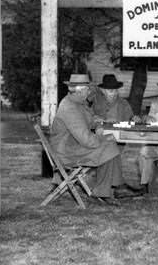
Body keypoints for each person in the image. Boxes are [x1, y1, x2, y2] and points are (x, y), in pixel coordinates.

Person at [49, 73, 125, 204]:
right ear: (80, 91)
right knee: (110, 146)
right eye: (87, 89)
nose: (89, 92)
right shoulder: (70, 108)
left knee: (110, 144)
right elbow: (87, 140)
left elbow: (89, 119)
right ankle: (105, 192)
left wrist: (99, 122)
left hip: (71, 145)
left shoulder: (77, 103)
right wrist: (104, 139)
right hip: (66, 152)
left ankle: (113, 187)